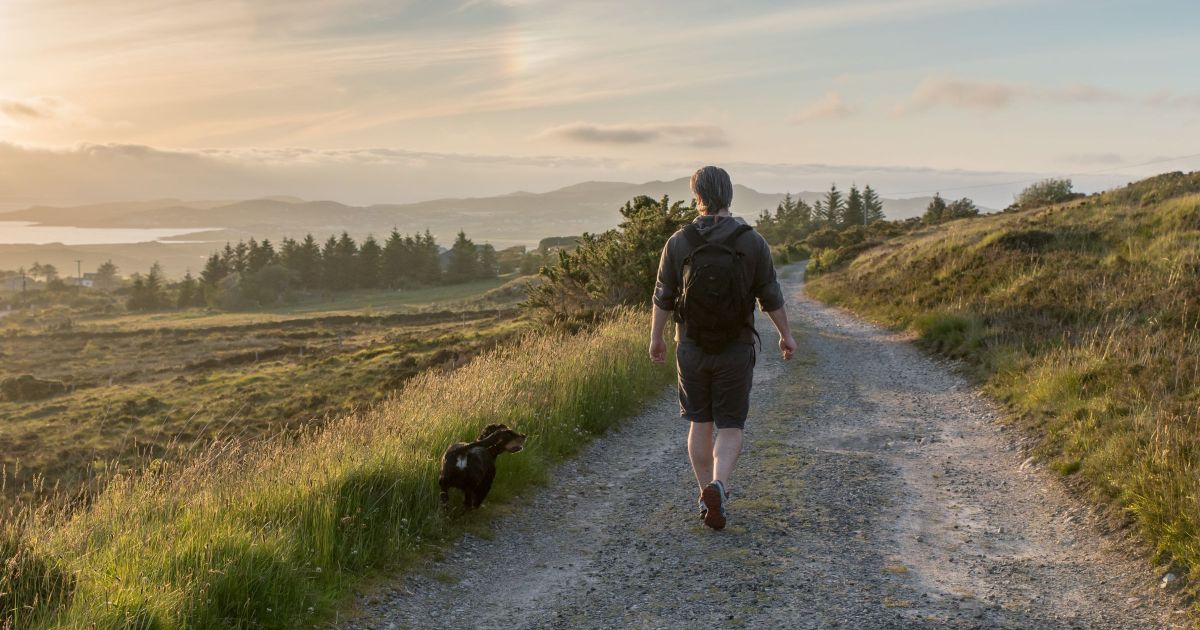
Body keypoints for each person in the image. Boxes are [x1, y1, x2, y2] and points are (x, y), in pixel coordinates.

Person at [648, 165, 796, 530]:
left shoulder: (679, 241)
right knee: (730, 425)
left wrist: (657, 338)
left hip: (692, 346)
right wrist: (785, 335)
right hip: (736, 346)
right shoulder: (751, 240)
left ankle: (704, 494)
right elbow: (770, 294)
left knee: (700, 422)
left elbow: (663, 296)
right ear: (729, 194)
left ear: (696, 195)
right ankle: (720, 487)